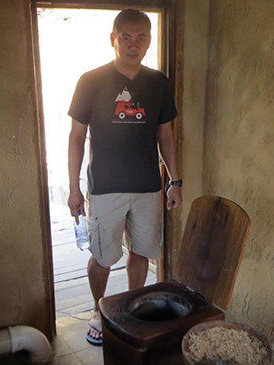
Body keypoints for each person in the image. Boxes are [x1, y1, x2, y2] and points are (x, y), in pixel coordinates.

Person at [67, 9, 182, 346]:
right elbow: (76, 137)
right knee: (102, 256)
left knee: (141, 253)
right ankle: (96, 309)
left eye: (141, 38)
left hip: (147, 187)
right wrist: (74, 189)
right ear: (113, 39)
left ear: (148, 41)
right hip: (105, 188)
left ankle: (134, 309)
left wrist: (175, 181)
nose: (134, 45)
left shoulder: (157, 82)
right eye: (126, 37)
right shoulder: (91, 80)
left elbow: (167, 135)